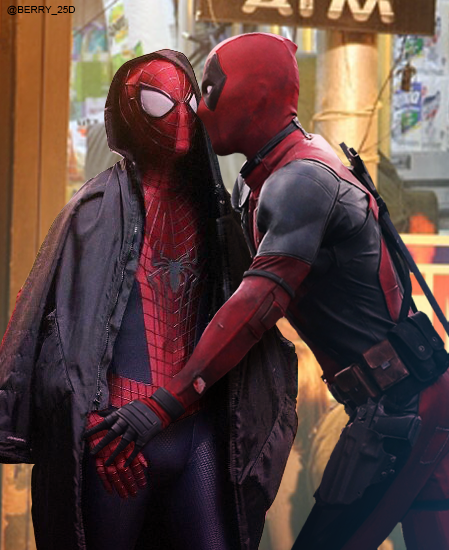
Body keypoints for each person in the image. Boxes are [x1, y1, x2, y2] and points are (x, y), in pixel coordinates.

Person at [89, 32, 449, 550]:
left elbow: (255, 306)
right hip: (396, 402)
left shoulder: (300, 180)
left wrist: (165, 402)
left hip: (405, 406)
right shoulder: (262, 180)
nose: (199, 110)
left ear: (253, 98)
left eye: (209, 92)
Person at [0, 49, 297, 550]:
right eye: (158, 102)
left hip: (197, 432)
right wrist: (94, 423)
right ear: (128, 110)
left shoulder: (218, 212)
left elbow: (245, 317)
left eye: (187, 102)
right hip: (117, 437)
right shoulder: (95, 210)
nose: (178, 117)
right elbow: (61, 331)